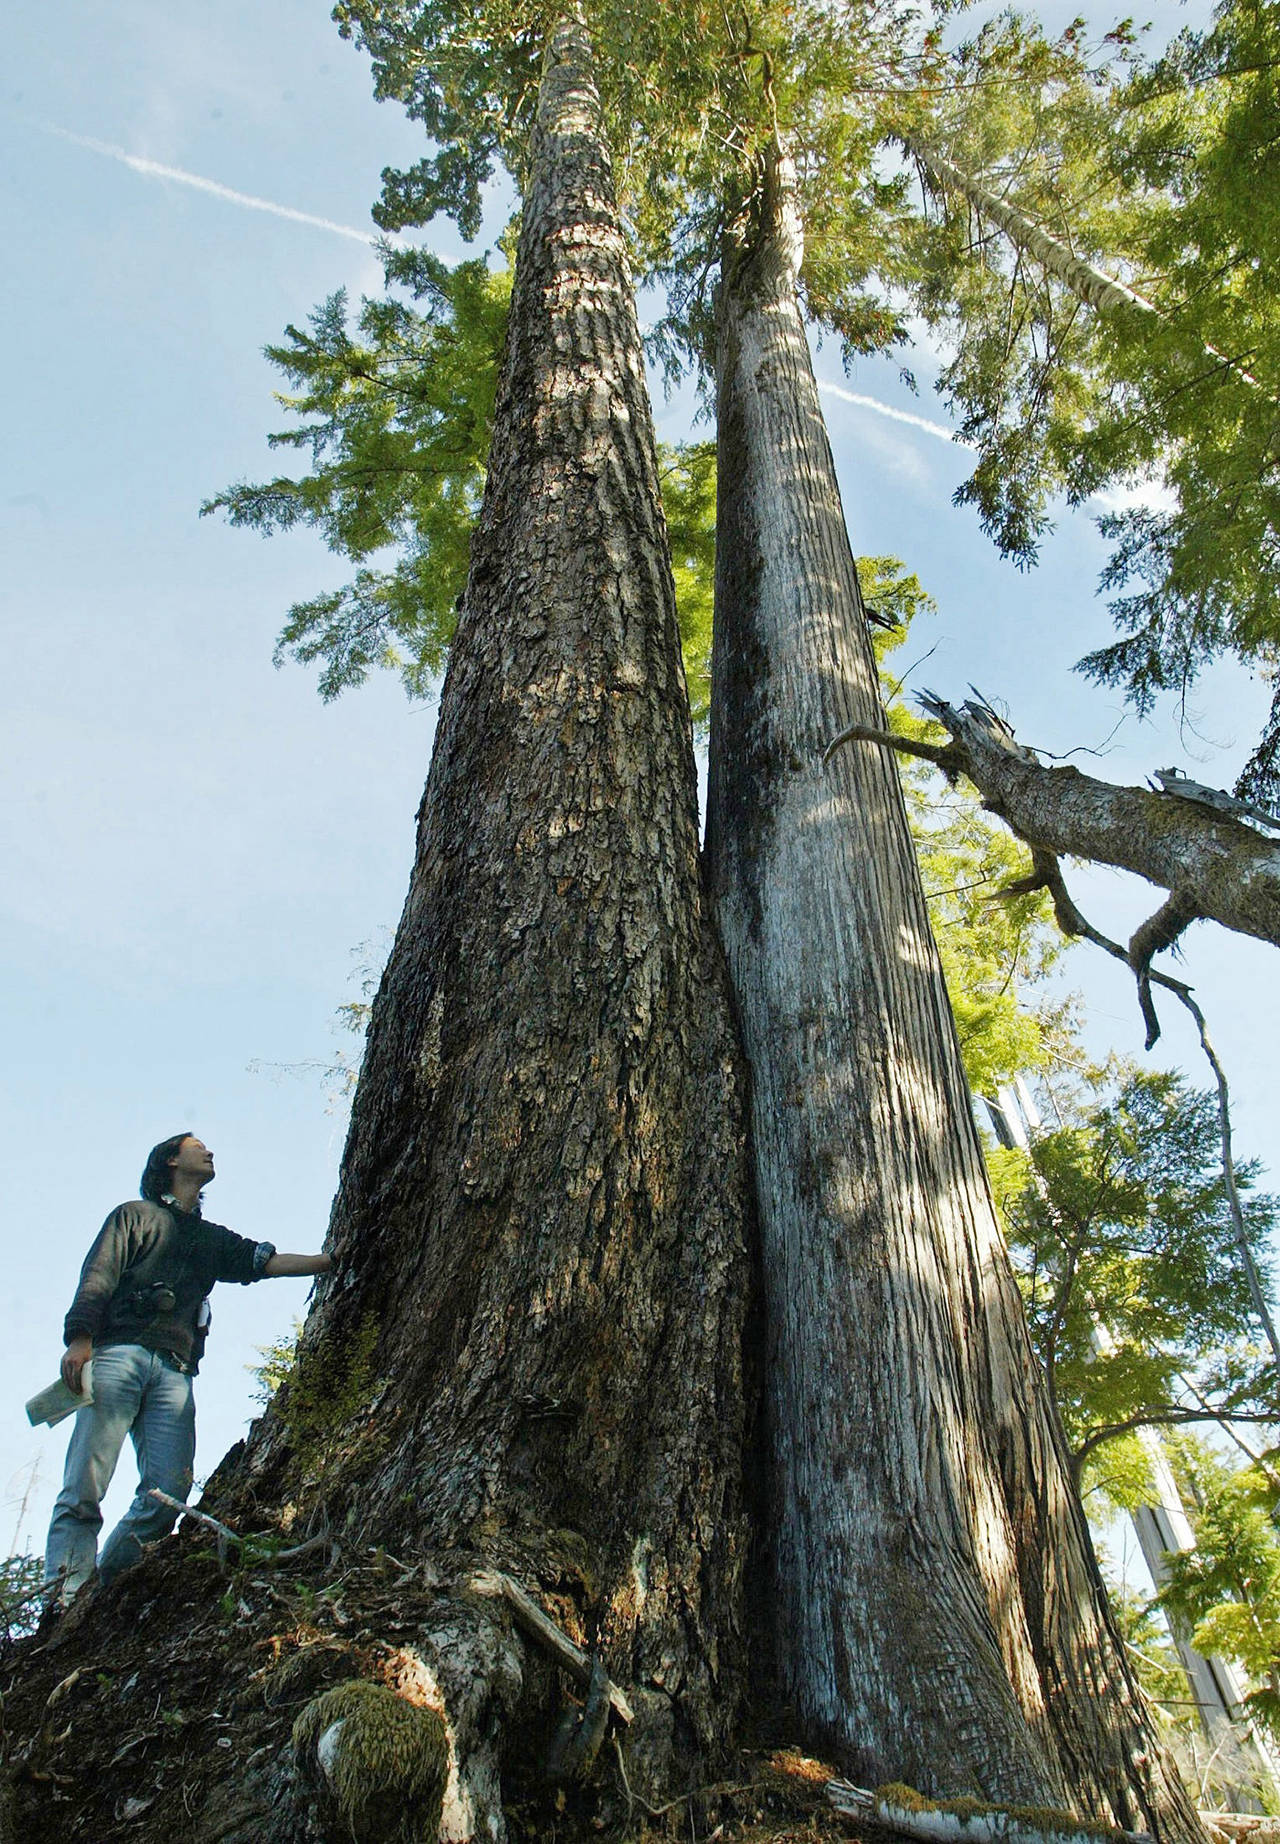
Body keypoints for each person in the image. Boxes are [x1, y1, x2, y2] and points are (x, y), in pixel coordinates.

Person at [43, 1132, 331, 1606]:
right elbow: (99, 1274)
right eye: (198, 1145)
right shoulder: (134, 1216)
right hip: (117, 1356)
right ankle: (63, 1595)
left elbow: (268, 1261)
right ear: (172, 1159)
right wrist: (80, 1339)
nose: (210, 1151)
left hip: (175, 1373)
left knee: (169, 1490)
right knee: (83, 1485)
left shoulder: (209, 1238)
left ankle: (100, 1588)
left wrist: (333, 1259)